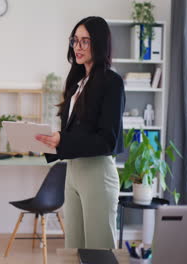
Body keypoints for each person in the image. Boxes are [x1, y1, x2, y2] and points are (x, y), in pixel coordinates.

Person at [36, 16, 125, 249]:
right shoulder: (77, 83)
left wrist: (62, 141)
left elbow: (108, 140)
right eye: (75, 40)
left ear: (100, 43)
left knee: (98, 250)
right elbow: (76, 132)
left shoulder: (112, 82)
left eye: (85, 41)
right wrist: (53, 141)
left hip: (97, 173)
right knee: (73, 249)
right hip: (73, 172)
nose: (78, 47)